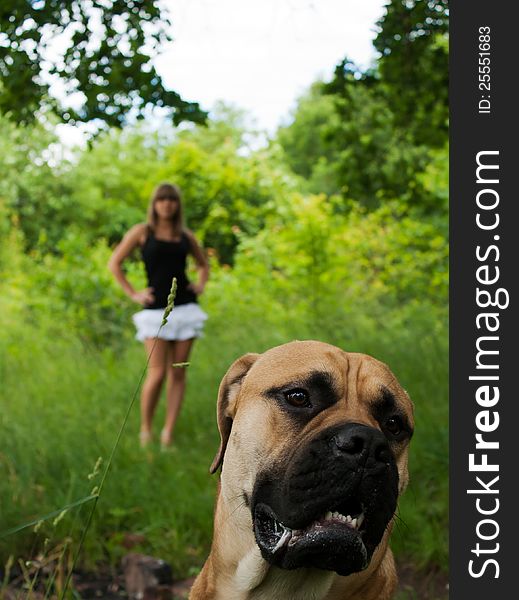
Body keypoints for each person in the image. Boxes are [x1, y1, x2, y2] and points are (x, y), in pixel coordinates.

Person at [108, 182, 209, 449]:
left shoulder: (185, 236)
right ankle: (146, 430)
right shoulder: (142, 232)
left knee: (178, 374)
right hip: (155, 311)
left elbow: (203, 264)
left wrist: (200, 284)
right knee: (156, 373)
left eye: (171, 199)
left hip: (186, 309)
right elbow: (114, 262)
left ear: (177, 205)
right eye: (162, 199)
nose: (167, 204)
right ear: (154, 204)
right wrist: (133, 294)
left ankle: (168, 434)